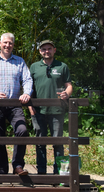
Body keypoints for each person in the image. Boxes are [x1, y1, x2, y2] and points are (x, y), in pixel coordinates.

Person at [0, 33, 32, 176]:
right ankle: (2, 169)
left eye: (10, 43)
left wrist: (27, 93)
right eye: (5, 43)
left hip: (15, 104)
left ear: (13, 45)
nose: (7, 45)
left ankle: (17, 166)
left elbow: (27, 79)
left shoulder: (20, 61)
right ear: (0, 43)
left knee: (22, 130)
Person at [29, 40, 73, 174]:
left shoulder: (62, 66)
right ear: (40, 51)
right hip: (38, 111)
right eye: (43, 49)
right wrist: (30, 107)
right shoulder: (34, 67)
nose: (46, 51)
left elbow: (69, 86)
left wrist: (67, 93)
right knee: (40, 142)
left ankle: (58, 173)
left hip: (57, 110)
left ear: (54, 50)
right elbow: (29, 88)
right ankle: (41, 172)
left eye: (49, 49)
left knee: (58, 142)